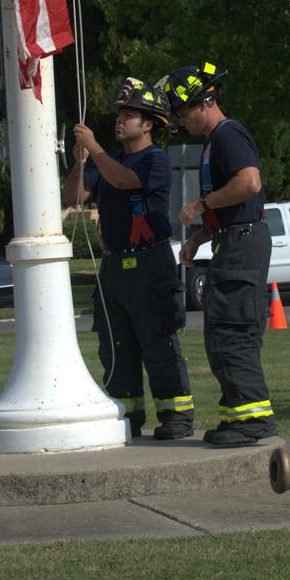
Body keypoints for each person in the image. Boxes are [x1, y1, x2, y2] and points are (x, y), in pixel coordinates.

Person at [62, 77, 194, 440]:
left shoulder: (155, 160)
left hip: (150, 263)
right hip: (114, 265)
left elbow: (123, 182)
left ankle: (176, 417)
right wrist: (80, 161)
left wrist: (96, 149)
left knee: (158, 341)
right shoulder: (108, 160)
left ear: (148, 123)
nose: (120, 120)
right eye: (120, 113)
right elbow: (72, 196)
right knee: (115, 344)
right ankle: (128, 415)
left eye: (130, 114)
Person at [158, 62, 277, 448]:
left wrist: (200, 203)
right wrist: (198, 237)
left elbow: (249, 183)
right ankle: (236, 416)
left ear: (202, 102)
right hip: (231, 239)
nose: (181, 122)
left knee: (233, 332)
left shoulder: (229, 135)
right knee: (222, 332)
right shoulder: (215, 142)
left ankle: (253, 420)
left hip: (243, 244)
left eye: (182, 113)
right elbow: (230, 206)